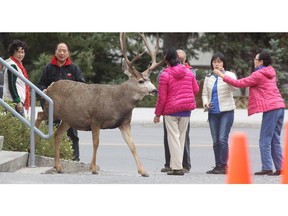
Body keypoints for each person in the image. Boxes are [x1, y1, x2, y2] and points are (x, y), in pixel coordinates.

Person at [213, 49, 286, 176]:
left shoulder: (258, 74)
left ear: (261, 61)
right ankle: (281, 167)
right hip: (279, 106)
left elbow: (239, 83)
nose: (254, 61)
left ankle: (267, 167)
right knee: (275, 139)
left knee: (264, 139)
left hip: (271, 108)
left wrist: (222, 76)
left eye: (255, 60)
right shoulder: (270, 71)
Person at [154, 47, 199, 175]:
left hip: (171, 110)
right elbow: (195, 90)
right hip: (186, 110)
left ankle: (177, 167)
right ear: (178, 58)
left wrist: (157, 115)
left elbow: (162, 98)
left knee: (173, 138)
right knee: (181, 138)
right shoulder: (189, 72)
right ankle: (177, 166)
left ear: (166, 59)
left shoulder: (165, 74)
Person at [37, 42, 85, 162]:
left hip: (70, 108)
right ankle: (50, 156)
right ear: (55, 52)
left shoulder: (73, 68)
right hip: (53, 106)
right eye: (60, 50)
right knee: (52, 131)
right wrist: (44, 89)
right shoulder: (48, 68)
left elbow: (82, 85)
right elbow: (40, 84)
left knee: (72, 133)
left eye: (64, 51)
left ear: (68, 53)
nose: (62, 53)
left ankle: (75, 158)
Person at [202, 52, 237, 174]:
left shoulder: (229, 74)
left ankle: (224, 165)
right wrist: (206, 103)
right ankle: (218, 165)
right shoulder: (208, 77)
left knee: (222, 139)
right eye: (214, 62)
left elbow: (235, 88)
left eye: (219, 62)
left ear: (223, 63)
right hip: (213, 112)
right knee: (215, 141)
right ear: (212, 64)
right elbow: (205, 94)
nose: (217, 64)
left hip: (226, 111)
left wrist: (222, 76)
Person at [2, 40, 30, 117]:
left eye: (22, 52)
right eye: (18, 52)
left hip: (15, 101)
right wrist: (18, 101)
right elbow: (12, 84)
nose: (21, 54)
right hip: (14, 102)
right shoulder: (12, 65)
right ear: (13, 52)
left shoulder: (17, 64)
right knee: (20, 126)